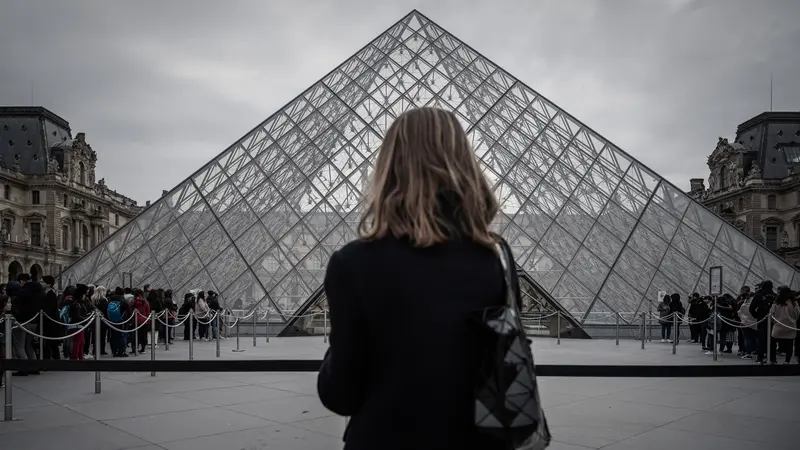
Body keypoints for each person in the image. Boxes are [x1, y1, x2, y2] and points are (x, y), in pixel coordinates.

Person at [316, 107, 511, 450]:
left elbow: (340, 394)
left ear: (388, 169)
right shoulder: (491, 262)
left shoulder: (353, 263)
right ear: (464, 165)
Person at [11, 276, 43, 375]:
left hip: (22, 322)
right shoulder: (40, 294)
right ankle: (33, 367)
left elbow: (17, 307)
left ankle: (23, 368)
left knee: (19, 346)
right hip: (34, 321)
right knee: (29, 345)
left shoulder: (22, 293)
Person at [769, 288, 799, 364]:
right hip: (790, 327)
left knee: (773, 343)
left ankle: (773, 360)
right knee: (789, 344)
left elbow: (772, 314)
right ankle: (787, 361)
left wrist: (774, 321)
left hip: (778, 327)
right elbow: (797, 314)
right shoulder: (794, 303)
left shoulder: (776, 302)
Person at [750, 280, 776, 364]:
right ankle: (772, 358)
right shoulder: (775, 296)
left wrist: (756, 315)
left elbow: (752, 308)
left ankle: (760, 357)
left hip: (762, 319)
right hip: (773, 320)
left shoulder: (758, 295)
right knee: (772, 340)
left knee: (761, 339)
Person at [41, 276, 62, 360]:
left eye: (42, 282)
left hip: (50, 322)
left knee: (50, 342)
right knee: (52, 342)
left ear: (49, 284)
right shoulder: (49, 293)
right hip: (50, 321)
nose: (41, 283)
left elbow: (50, 309)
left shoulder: (51, 295)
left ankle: (50, 359)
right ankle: (55, 358)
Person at [107, 287, 130, 357]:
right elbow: (129, 311)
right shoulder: (123, 301)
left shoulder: (110, 300)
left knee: (113, 336)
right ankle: (121, 351)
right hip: (122, 321)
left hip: (112, 321)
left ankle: (114, 351)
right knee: (122, 336)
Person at [132, 289, 150, 354]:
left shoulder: (133, 302)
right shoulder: (146, 302)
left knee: (135, 335)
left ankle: (134, 348)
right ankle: (143, 349)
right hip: (144, 320)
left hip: (135, 320)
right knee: (143, 336)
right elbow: (148, 312)